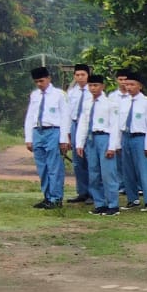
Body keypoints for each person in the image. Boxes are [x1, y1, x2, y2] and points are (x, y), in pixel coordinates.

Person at [23, 66, 69, 209]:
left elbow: (65, 117)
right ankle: (47, 196)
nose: (39, 84)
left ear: (49, 78)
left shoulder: (59, 95)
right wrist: (28, 138)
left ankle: (56, 198)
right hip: (38, 131)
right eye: (36, 82)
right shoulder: (35, 95)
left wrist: (63, 139)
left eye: (41, 81)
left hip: (53, 131)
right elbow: (30, 116)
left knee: (54, 166)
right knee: (42, 167)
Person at [76, 73, 121, 216]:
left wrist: (112, 147)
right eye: (90, 85)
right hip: (91, 139)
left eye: (95, 85)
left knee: (108, 173)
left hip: (104, 137)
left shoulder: (110, 104)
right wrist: (80, 143)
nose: (93, 88)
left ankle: (113, 204)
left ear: (102, 86)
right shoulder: (87, 103)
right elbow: (83, 123)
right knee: (94, 173)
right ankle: (100, 203)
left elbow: (115, 126)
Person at [117, 74, 147, 210]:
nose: (129, 87)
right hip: (126, 137)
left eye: (132, 84)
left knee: (143, 170)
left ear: (140, 86)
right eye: (127, 84)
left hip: (139, 138)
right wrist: (118, 142)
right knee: (127, 170)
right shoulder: (123, 101)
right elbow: (119, 123)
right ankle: (132, 199)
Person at [66, 64, 94, 204]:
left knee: (90, 159)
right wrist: (67, 132)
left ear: (88, 75)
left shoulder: (92, 91)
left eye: (83, 75)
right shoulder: (72, 92)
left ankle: (93, 193)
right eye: (77, 75)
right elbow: (67, 112)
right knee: (77, 161)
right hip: (74, 124)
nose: (80, 77)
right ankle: (82, 192)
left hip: (88, 126)